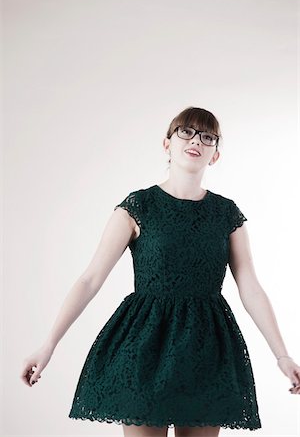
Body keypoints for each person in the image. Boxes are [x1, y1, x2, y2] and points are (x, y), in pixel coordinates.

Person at [21, 107, 300, 437]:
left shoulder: (226, 214)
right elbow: (90, 279)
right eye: (186, 132)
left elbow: (250, 287)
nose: (196, 140)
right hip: (144, 345)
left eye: (207, 136)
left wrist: (282, 355)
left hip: (207, 347)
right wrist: (49, 344)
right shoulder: (138, 206)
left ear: (215, 154)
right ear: (167, 144)